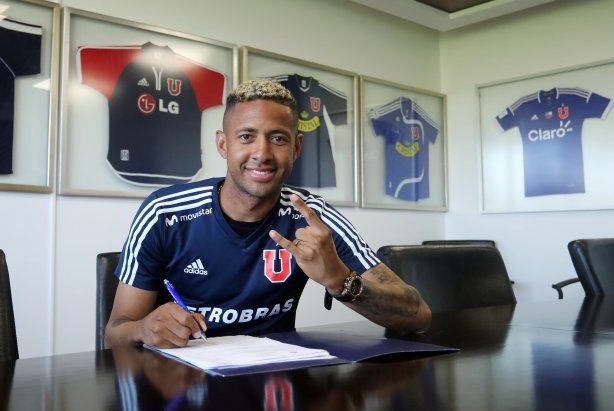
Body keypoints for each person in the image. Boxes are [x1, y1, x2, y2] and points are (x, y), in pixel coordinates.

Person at [106, 79, 431, 348]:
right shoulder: (163, 212)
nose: (261, 154)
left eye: (277, 138)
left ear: (296, 148)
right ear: (223, 145)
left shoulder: (312, 216)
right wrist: (143, 328)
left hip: (275, 387)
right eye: (246, 137)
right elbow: (115, 333)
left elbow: (417, 314)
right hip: (180, 388)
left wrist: (339, 279)